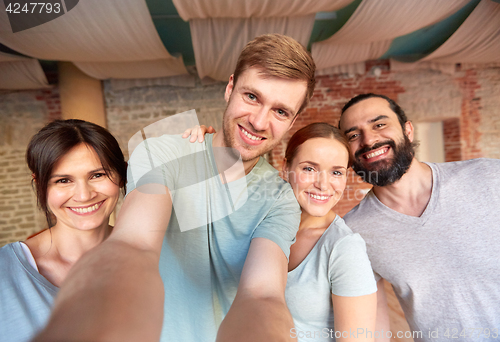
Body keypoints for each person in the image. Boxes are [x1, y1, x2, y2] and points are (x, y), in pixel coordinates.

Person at [35, 33, 316, 342]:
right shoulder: (161, 153)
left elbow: (262, 294)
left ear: (293, 121)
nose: (259, 122)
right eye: (252, 97)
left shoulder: (279, 200)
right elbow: (135, 244)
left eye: (280, 111)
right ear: (230, 88)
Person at [186, 122, 378, 341]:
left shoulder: (345, 248)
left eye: (336, 172)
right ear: (286, 168)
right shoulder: (258, 217)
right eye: (309, 168)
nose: (323, 185)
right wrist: (205, 144)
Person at [339, 93, 500, 341]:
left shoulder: (489, 177)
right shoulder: (354, 231)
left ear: (408, 130)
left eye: (379, 124)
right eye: (353, 135)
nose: (369, 140)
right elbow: (373, 328)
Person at [0, 119, 127, 342]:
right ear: (39, 184)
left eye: (97, 175)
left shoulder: (160, 256)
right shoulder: (5, 273)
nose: (84, 195)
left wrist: (206, 147)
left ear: (121, 175)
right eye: (63, 180)